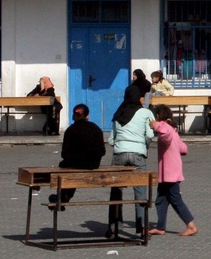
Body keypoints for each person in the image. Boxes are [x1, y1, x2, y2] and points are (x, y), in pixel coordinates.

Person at [107, 86, 155, 239]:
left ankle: (114, 227)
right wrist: (144, 147)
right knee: (140, 192)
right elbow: (150, 134)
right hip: (138, 154)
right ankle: (141, 228)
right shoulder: (146, 113)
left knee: (116, 192)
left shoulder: (119, 112)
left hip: (119, 154)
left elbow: (111, 140)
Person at [146, 104, 197, 237]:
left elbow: (165, 133)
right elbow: (183, 148)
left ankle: (191, 225)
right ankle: (161, 227)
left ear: (158, 116)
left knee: (175, 199)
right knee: (161, 199)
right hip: (168, 173)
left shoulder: (166, 129)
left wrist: (155, 125)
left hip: (170, 173)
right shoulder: (174, 130)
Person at [46, 104, 105, 209]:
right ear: (87, 116)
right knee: (72, 166)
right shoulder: (95, 129)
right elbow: (102, 151)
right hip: (93, 164)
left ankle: (63, 196)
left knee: (66, 166)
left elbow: (64, 154)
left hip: (74, 164)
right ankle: (64, 197)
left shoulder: (70, 130)